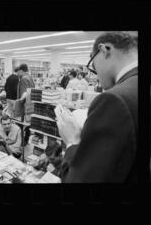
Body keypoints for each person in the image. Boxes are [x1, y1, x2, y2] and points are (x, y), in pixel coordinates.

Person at [57, 31, 138, 183]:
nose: (96, 76)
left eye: (93, 67)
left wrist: (72, 141)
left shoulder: (114, 99)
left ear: (104, 50)